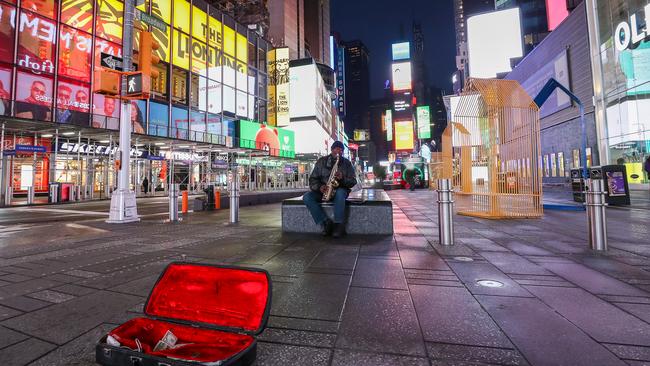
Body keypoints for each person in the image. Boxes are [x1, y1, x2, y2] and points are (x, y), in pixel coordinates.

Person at [302, 141, 357, 237]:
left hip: (340, 190)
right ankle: (325, 222)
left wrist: (342, 178)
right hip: (324, 190)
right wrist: (320, 187)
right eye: (336, 149)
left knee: (340, 193)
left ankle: (338, 225)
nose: (339, 151)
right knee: (307, 197)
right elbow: (312, 179)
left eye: (341, 150)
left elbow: (353, 181)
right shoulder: (321, 161)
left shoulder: (347, 163)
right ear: (332, 150)